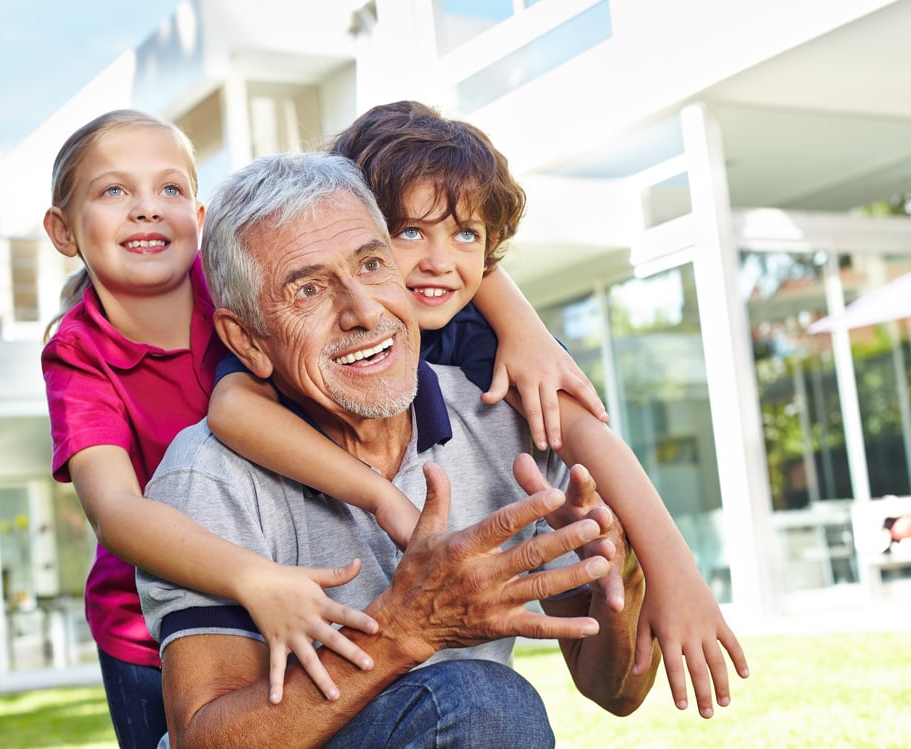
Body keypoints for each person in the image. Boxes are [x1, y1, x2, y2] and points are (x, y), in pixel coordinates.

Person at [211, 100, 750, 718]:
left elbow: (591, 437)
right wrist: (382, 497)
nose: (440, 259)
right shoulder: (299, 339)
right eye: (409, 232)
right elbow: (231, 408)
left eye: (466, 235)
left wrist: (666, 569)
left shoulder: (484, 350)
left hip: (459, 709)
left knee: (487, 703)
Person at [137, 151, 660, 748]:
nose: (364, 312)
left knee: (487, 705)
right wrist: (404, 629)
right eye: (308, 289)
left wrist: (615, 571)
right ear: (246, 342)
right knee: (485, 703)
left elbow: (616, 694)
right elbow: (203, 740)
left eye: (373, 264)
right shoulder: (207, 475)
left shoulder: (502, 422)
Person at [40, 110, 380, 747]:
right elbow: (115, 511)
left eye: (169, 189)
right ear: (63, 231)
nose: (146, 209)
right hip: (151, 632)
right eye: (115, 190)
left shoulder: (236, 290)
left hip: (293, 578)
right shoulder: (78, 354)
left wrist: (521, 322)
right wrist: (253, 578)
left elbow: (414, 254)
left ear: (198, 221)